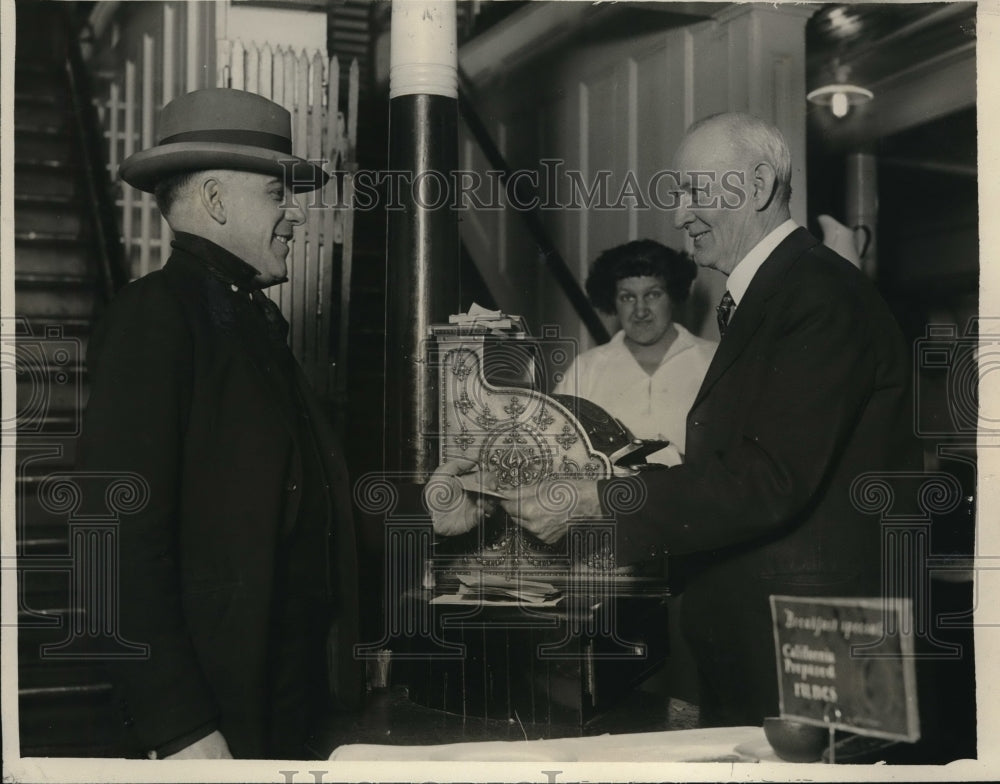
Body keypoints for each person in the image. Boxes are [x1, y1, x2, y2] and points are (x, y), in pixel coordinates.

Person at [430, 112, 920, 726]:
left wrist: (596, 500)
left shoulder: (816, 296)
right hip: (774, 630)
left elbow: (765, 479)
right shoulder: (780, 293)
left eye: (695, 190)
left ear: (760, 185)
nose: (680, 213)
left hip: (813, 639)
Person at [77, 88, 362, 759]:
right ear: (214, 200)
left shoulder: (247, 323)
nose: (294, 216)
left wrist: (430, 507)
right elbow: (111, 539)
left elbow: (301, 503)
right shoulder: (156, 318)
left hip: (282, 693)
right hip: (214, 714)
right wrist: (178, 727)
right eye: (276, 194)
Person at [553, 239, 715, 466]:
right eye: (627, 297)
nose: (640, 310)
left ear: (673, 295)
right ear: (613, 301)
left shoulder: (714, 361)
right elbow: (557, 451)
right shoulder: (586, 368)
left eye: (653, 294)